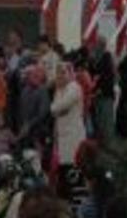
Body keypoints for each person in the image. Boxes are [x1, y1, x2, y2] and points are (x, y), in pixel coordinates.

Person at [51, 62, 86, 201]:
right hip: (63, 136)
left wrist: (57, 108)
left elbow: (58, 106)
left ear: (70, 73)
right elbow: (54, 109)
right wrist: (58, 108)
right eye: (58, 72)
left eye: (63, 72)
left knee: (74, 170)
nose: (60, 76)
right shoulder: (60, 89)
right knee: (64, 170)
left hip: (74, 136)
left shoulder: (74, 87)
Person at [17, 65, 50, 154]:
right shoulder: (24, 91)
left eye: (35, 74)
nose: (34, 77)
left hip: (39, 129)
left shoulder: (42, 90)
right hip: (26, 130)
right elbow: (21, 111)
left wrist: (29, 125)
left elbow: (43, 112)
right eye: (29, 75)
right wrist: (23, 125)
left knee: (39, 155)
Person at [90, 39, 115, 142]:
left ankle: (106, 142)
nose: (94, 48)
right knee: (101, 121)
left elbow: (107, 78)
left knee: (104, 121)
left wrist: (99, 89)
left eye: (96, 45)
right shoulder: (98, 59)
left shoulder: (105, 59)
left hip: (104, 95)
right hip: (100, 95)